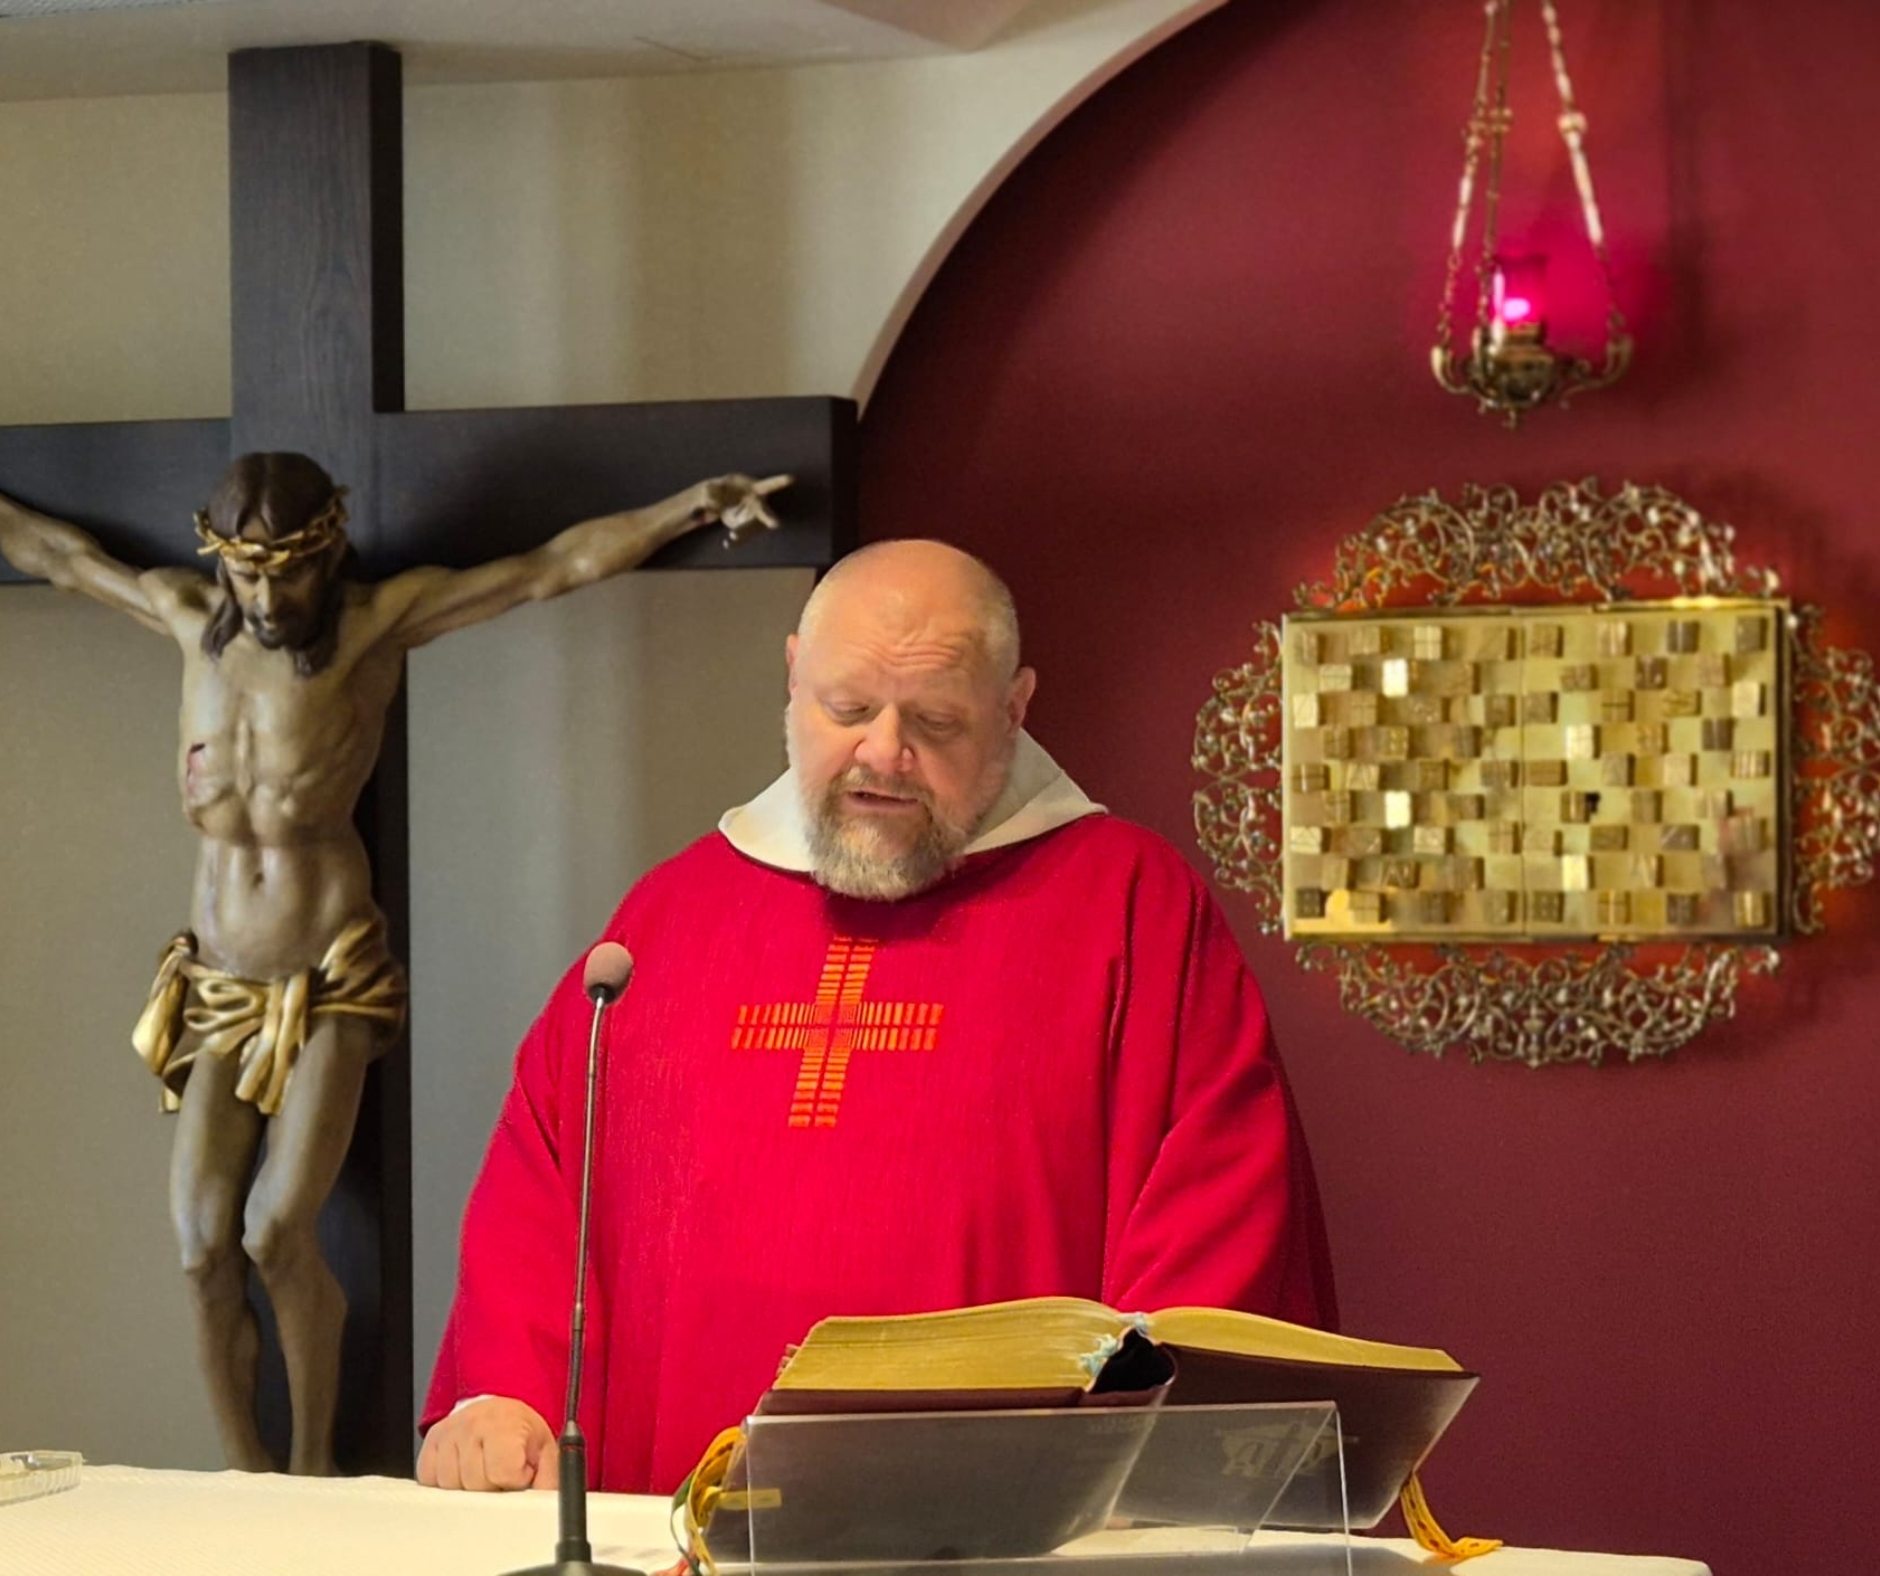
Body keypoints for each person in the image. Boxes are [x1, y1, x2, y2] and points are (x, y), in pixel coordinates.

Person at [418, 538, 1336, 1495]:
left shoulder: (1131, 909)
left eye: (935, 721)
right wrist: (507, 1395)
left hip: (1012, 1526)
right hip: (678, 1519)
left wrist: (1139, 1450)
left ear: (1014, 708)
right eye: (848, 709)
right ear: (792, 678)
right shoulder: (670, 919)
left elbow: (1218, 1207)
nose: (884, 755)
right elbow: (544, 1175)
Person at [0, 453, 788, 1476]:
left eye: (289, 571)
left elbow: (548, 567)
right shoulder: (187, 618)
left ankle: (312, 1468)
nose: (267, 599)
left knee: (277, 1228)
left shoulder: (373, 626)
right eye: (246, 572)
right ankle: (247, 1474)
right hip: (218, 980)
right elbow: (61, 555)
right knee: (200, 1245)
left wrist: (687, 504)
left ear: (328, 548)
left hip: (330, 973)